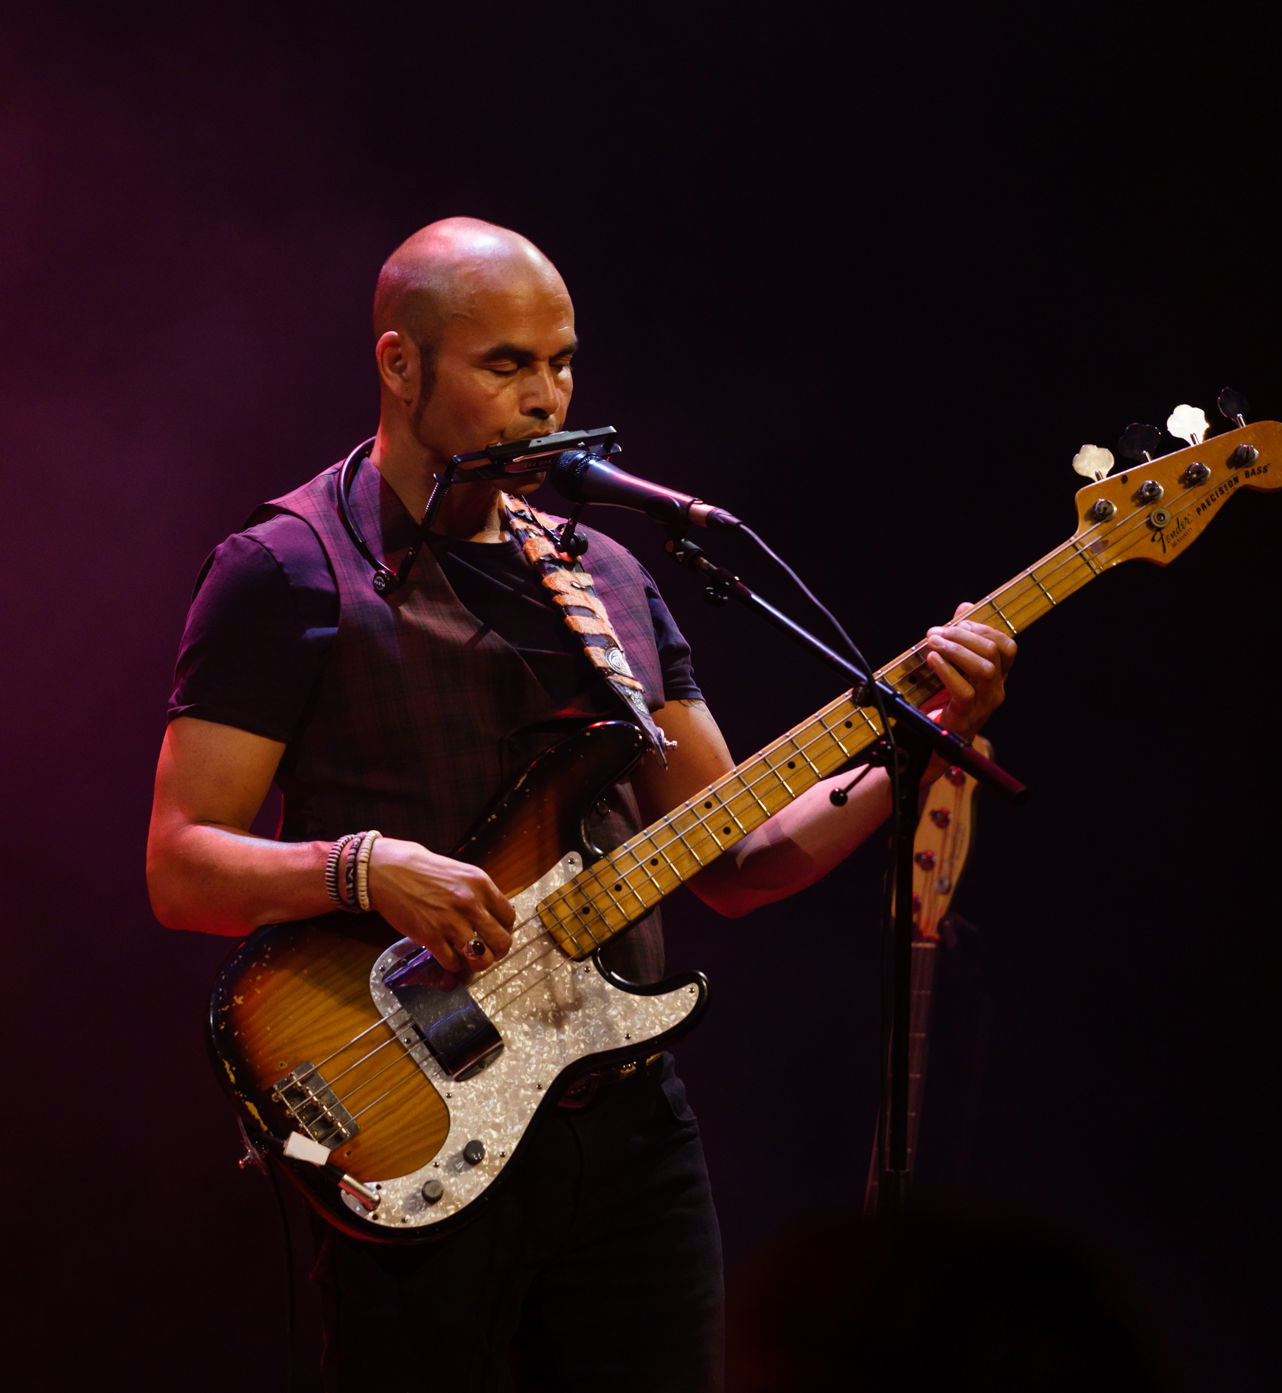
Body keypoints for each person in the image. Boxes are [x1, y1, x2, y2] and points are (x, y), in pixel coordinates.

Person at [146, 217, 1015, 1391]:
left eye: (561, 362)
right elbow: (182, 865)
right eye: (506, 365)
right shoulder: (289, 569)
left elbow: (741, 859)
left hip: (622, 1122)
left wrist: (924, 736)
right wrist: (363, 865)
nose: (546, 399)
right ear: (400, 364)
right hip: (410, 1104)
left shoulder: (604, 573)